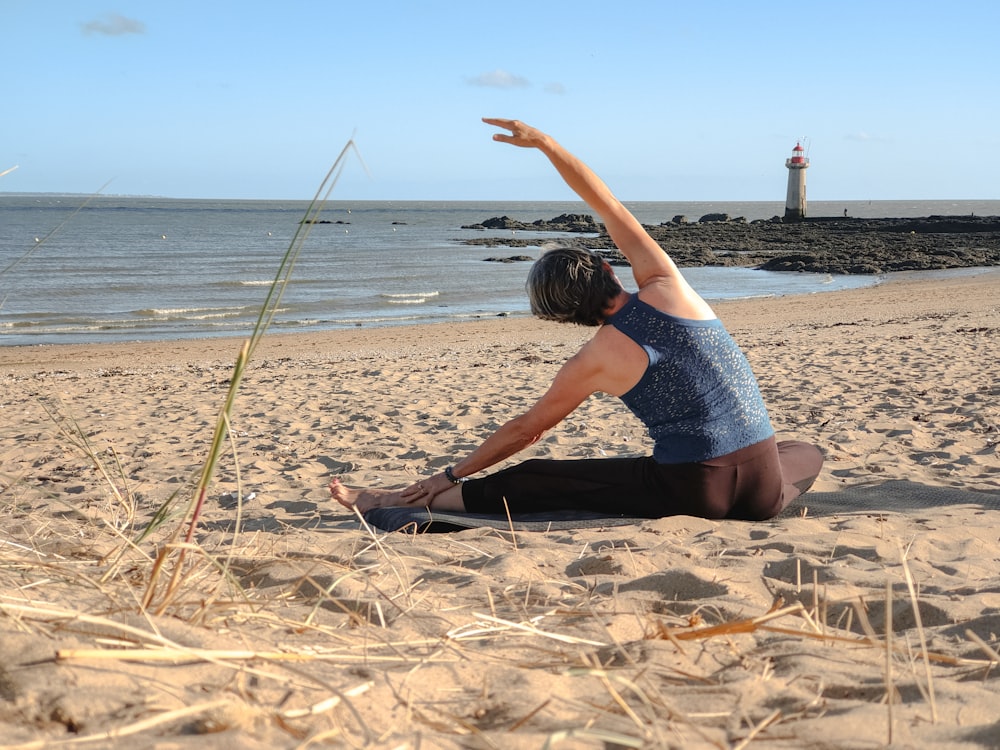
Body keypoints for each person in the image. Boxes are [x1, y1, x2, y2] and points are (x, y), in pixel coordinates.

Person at [330, 118, 823, 521]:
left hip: (694, 492)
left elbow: (525, 431)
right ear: (608, 268)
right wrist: (545, 142)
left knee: (536, 477)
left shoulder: (594, 359)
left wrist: (450, 474)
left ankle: (402, 501)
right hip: (762, 488)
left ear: (563, 317)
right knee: (803, 451)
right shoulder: (670, 289)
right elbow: (604, 203)